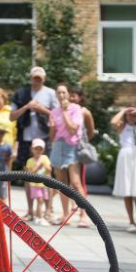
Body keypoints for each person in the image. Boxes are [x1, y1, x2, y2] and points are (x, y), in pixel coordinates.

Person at [49, 83, 88, 227]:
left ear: (68, 94)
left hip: (71, 146)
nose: (61, 95)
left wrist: (65, 113)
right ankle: (66, 215)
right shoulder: (53, 111)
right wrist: (52, 127)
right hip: (58, 146)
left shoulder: (76, 109)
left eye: (64, 92)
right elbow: (52, 136)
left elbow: (72, 129)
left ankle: (84, 215)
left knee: (76, 183)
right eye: (58, 93)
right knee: (61, 184)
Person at [10, 66, 58, 170]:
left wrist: (41, 109)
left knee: (45, 168)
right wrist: (26, 107)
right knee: (27, 168)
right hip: (25, 136)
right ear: (31, 78)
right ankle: (28, 187)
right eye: (35, 78)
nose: (37, 80)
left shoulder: (51, 93)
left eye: (39, 78)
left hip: (44, 136)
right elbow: (11, 117)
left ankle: (44, 187)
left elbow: (58, 116)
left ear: (44, 79)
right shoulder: (21, 93)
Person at [69, 85, 95, 196]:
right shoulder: (66, 110)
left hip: (79, 148)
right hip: (67, 147)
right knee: (66, 180)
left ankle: (84, 209)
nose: (71, 98)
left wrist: (83, 142)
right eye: (70, 96)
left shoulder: (85, 112)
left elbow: (91, 131)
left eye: (74, 96)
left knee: (79, 180)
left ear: (80, 98)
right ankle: (73, 206)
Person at [25, 138, 52, 226]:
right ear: (32, 149)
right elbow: (29, 174)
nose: (38, 151)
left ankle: (37, 216)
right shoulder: (30, 161)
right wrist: (37, 166)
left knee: (43, 200)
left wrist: (43, 164)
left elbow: (49, 170)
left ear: (43, 150)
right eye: (36, 148)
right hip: (34, 184)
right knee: (39, 200)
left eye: (40, 149)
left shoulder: (45, 158)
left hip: (43, 184)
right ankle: (40, 218)